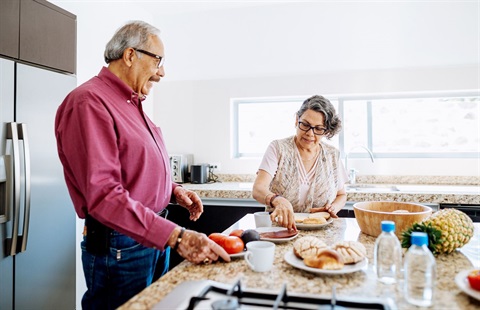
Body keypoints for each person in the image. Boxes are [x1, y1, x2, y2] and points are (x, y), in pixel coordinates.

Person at [54, 20, 230, 310]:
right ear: (130, 55)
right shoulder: (88, 102)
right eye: (158, 60)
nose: (162, 72)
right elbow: (104, 195)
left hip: (150, 237)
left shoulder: (131, 103)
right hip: (121, 245)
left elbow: (134, 167)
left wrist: (173, 191)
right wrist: (177, 236)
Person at [252, 95, 348, 230]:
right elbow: (258, 189)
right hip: (280, 230)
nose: (310, 133)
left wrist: (333, 208)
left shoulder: (333, 155)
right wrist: (277, 200)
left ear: (326, 131)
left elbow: (341, 195)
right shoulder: (278, 148)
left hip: (321, 232)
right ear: (297, 120)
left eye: (318, 129)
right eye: (305, 125)